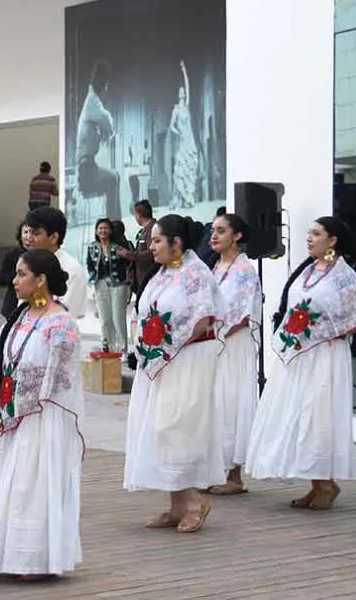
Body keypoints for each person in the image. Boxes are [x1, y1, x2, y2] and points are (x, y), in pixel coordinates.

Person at [0, 249, 84, 579]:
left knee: (34, 483)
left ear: (41, 280)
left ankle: (36, 558)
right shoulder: (22, 316)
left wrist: (31, 396)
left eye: (22, 274)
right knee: (13, 481)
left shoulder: (61, 322)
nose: (15, 281)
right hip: (17, 413)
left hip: (43, 416)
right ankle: (9, 552)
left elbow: (63, 378)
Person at [246, 217, 356, 510]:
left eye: (316, 234)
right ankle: (317, 483)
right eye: (309, 233)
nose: (309, 238)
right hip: (300, 354)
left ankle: (326, 483)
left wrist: (318, 329)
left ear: (333, 240)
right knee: (301, 414)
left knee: (319, 414)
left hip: (325, 355)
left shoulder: (344, 275)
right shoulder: (309, 270)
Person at [124, 214, 222, 533]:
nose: (150, 247)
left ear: (176, 243)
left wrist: (167, 345)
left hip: (187, 360)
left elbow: (203, 319)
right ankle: (177, 504)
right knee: (157, 428)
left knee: (177, 427)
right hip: (160, 362)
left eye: (156, 240)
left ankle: (194, 501)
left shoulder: (196, 274)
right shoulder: (163, 274)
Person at [207, 213, 261, 495]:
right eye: (213, 230)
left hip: (233, 344)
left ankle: (234, 475)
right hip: (216, 344)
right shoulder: (217, 268)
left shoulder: (244, 270)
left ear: (237, 236)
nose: (214, 236)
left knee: (231, 403)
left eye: (221, 231)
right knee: (216, 405)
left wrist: (214, 334)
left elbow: (241, 315)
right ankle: (216, 467)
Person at [23, 206, 87, 318]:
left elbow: (63, 317)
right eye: (27, 232)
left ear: (53, 237)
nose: (28, 238)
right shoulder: (28, 264)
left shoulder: (71, 269)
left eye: (36, 233)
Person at [76, 59, 119, 220]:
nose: (108, 89)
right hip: (86, 169)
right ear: (103, 84)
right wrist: (108, 131)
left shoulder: (92, 101)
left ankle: (115, 225)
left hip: (88, 165)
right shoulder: (93, 103)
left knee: (114, 176)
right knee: (113, 178)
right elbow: (107, 121)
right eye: (107, 85)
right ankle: (114, 226)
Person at [118, 201, 159, 369]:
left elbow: (151, 253)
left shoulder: (153, 229)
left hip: (149, 279)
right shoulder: (145, 230)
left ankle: (144, 352)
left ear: (138, 214)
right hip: (141, 281)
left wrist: (130, 254)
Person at [86, 218, 131, 352]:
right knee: (105, 320)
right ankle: (108, 347)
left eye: (106, 228)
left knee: (118, 319)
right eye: (100, 228)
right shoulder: (92, 247)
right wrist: (93, 278)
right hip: (100, 284)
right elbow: (89, 265)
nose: (103, 231)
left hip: (118, 284)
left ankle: (122, 350)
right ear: (96, 231)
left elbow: (128, 264)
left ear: (110, 231)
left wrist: (126, 255)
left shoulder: (118, 247)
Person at [169, 61, 199, 210]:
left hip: (190, 140)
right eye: (180, 91)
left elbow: (188, 85)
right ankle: (181, 198)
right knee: (181, 169)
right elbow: (171, 126)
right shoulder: (176, 110)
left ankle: (189, 198)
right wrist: (178, 133)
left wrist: (184, 70)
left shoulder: (186, 106)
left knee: (190, 168)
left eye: (184, 91)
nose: (183, 92)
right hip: (183, 140)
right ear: (178, 94)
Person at [0, 225, 29, 320]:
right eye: (25, 232)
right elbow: (2, 279)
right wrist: (21, 275)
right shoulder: (12, 255)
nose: (29, 236)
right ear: (20, 236)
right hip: (13, 303)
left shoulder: (42, 255)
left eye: (32, 232)